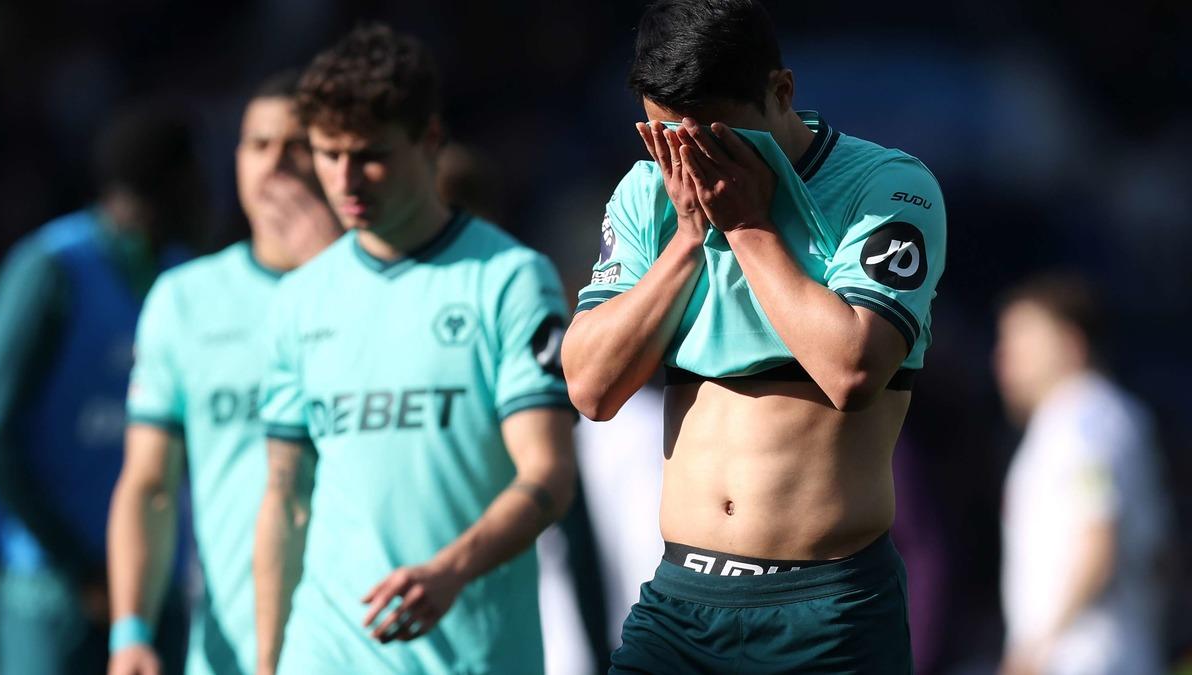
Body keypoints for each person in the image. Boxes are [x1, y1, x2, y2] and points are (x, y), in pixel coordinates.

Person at [560, 0, 947, 671]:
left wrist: (746, 227)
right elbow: (591, 388)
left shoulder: (886, 187)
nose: (689, 160)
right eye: (666, 138)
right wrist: (687, 239)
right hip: (680, 608)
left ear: (781, 92)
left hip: (827, 612)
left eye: (713, 136)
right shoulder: (649, 193)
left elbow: (852, 371)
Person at [253, 24, 576, 674]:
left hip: (472, 655)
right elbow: (286, 501)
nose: (345, 179)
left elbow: (549, 474)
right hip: (326, 652)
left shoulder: (510, 280)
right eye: (327, 154)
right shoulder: (300, 297)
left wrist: (451, 569)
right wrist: (267, 662)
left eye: (369, 155)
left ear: (429, 140)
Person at [105, 72, 341, 675]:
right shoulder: (184, 300)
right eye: (258, 144)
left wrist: (333, 271)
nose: (275, 165)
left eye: (297, 146)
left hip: (366, 644)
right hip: (230, 650)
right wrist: (130, 631)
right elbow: (149, 485)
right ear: (235, 160)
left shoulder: (378, 291)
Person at [0, 101, 203, 675]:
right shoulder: (53, 268)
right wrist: (78, 566)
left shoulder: (180, 275)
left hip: (153, 583)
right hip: (51, 587)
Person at [995, 274, 1169, 675]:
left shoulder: (1082, 420)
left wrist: (1033, 651)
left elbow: (1098, 541)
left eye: (1024, 338)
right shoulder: (1093, 418)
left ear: (1071, 345)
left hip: (1081, 659)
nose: (1005, 355)